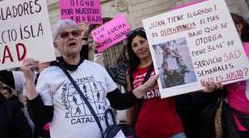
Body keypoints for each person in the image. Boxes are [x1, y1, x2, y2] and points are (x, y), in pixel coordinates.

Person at [22, 19, 158, 138]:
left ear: (80, 39)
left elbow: (119, 102)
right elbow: (41, 118)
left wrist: (145, 87)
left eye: (75, 33)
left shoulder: (97, 69)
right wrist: (29, 81)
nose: (71, 37)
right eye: (64, 35)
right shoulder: (48, 74)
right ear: (55, 45)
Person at [126, 27, 186, 138]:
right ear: (131, 50)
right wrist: (128, 129)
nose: (140, 47)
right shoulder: (130, 72)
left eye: (142, 42)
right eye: (134, 45)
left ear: (149, 42)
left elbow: (183, 86)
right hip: (144, 132)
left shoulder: (163, 64)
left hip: (173, 130)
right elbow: (131, 103)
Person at [107, 43, 129, 123]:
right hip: (124, 119)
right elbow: (101, 73)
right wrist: (97, 53)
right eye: (127, 51)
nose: (129, 53)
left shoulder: (141, 68)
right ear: (123, 53)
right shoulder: (115, 71)